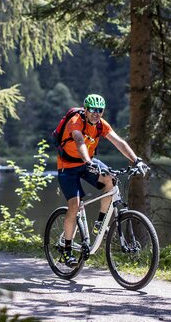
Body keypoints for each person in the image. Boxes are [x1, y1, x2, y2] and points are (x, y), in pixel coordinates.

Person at [56, 94, 149, 266]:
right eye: (92, 110)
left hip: (88, 163)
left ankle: (100, 222)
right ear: (85, 109)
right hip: (68, 167)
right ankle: (66, 250)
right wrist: (89, 162)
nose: (96, 113)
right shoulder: (76, 121)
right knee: (74, 205)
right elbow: (79, 141)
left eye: (100, 110)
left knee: (110, 180)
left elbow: (119, 142)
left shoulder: (100, 125)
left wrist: (137, 160)